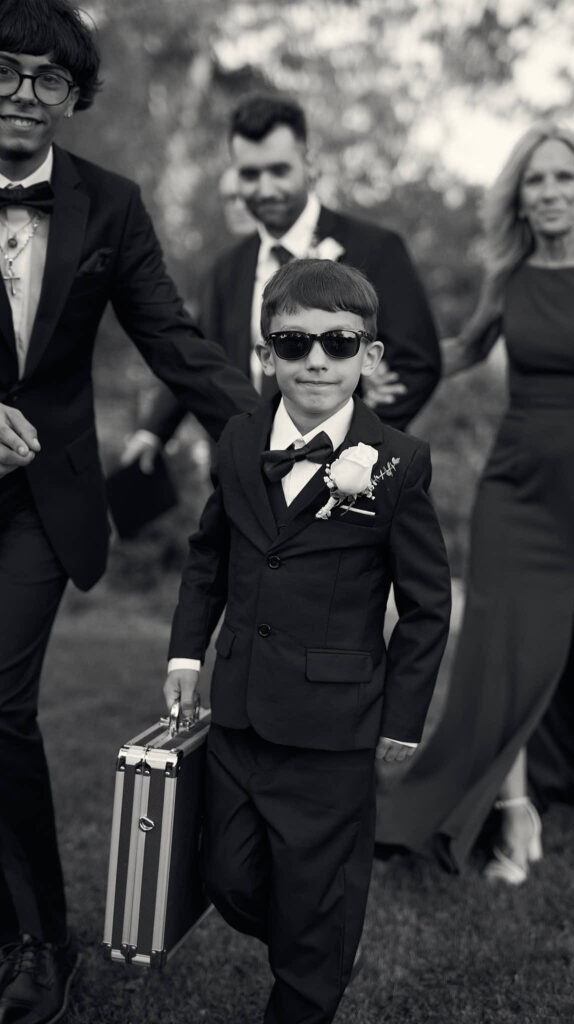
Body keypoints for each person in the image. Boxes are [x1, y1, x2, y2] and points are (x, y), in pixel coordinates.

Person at [0, 3, 259, 1021]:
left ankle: (36, 942)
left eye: (48, 79)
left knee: (0, 702)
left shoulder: (109, 204)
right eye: (5, 70)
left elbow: (173, 339)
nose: (23, 93)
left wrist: (278, 431)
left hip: (44, 499)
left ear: (74, 98)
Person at [374, 122, 574, 885]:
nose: (547, 192)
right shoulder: (509, 275)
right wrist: (375, 370)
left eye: (561, 177)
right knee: (498, 651)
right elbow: (463, 350)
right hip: (514, 490)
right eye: (534, 181)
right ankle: (514, 814)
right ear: (518, 198)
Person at [163, 258, 452, 1024]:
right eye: (293, 343)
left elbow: (426, 605)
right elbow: (208, 557)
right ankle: (317, 939)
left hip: (333, 726)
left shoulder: (397, 462)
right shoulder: (238, 440)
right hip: (239, 711)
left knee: (315, 887)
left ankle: (310, 974)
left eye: (338, 342)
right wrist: (187, 654)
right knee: (227, 876)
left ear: (370, 355)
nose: (316, 360)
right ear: (266, 354)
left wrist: (401, 716)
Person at [123, 91, 440, 471]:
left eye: (279, 171)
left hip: (350, 477)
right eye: (250, 175)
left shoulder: (375, 249)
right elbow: (200, 355)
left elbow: (417, 365)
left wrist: (348, 451)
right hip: (246, 472)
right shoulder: (226, 269)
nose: (265, 189)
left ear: (309, 163)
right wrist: (153, 431)